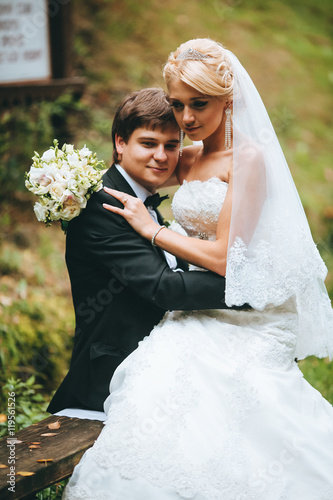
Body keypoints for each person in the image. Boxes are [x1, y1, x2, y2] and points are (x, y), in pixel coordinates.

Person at [63, 39, 333, 499]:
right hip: (201, 300)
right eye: (178, 104)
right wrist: (70, 185)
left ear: (229, 101)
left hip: (246, 307)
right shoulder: (187, 158)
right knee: (162, 378)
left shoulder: (247, 158)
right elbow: (136, 165)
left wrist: (152, 230)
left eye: (199, 105)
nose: (186, 120)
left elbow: (229, 258)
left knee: (194, 381)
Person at [47, 87, 242, 417]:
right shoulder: (102, 208)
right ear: (120, 144)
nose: (162, 156)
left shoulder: (138, 199)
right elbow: (165, 288)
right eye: (149, 143)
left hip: (166, 352)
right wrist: (248, 289)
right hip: (114, 371)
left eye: (172, 145)